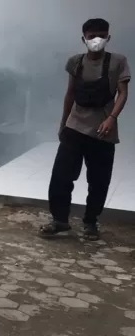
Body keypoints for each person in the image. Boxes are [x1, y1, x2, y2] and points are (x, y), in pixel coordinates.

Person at [39, 18, 130, 241]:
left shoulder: (118, 62)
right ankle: (60, 220)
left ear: (108, 37)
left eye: (101, 35)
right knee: (61, 175)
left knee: (98, 179)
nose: (96, 40)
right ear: (84, 39)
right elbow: (70, 94)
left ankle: (91, 222)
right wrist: (63, 123)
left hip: (103, 130)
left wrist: (111, 118)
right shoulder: (76, 63)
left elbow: (123, 93)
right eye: (91, 36)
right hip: (75, 126)